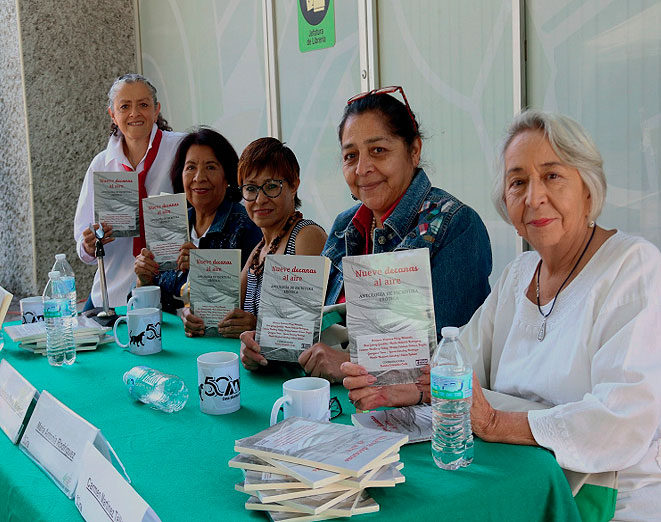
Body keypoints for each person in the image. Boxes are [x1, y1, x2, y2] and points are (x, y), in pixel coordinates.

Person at [344, 110, 661, 520]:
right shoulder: (519, 276)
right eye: (518, 182)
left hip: (605, 501)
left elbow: (620, 419)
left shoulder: (633, 267)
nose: (533, 197)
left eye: (552, 176)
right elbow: (461, 361)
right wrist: (405, 386)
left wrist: (495, 422)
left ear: (588, 190)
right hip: (515, 485)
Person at [241, 86, 492, 382]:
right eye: (350, 156)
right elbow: (305, 328)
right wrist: (267, 347)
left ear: (414, 151)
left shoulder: (455, 226)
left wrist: (349, 363)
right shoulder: (344, 227)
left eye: (378, 151)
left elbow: (454, 357)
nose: (362, 169)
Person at [182, 137, 327, 337]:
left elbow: (305, 331)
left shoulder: (306, 236)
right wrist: (197, 315)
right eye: (250, 189)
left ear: (294, 186)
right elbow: (223, 309)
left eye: (271, 186)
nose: (260, 199)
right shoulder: (260, 249)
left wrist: (257, 327)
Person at [74, 74, 184, 309]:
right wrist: (88, 245)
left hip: (171, 291)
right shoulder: (101, 165)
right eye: (125, 106)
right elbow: (82, 240)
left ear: (156, 110)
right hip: (111, 293)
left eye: (143, 105)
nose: (134, 113)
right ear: (113, 114)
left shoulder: (181, 150)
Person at [133, 127, 262, 315]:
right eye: (191, 167)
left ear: (227, 176)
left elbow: (252, 303)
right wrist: (144, 282)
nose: (199, 177)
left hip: (219, 341)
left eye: (210, 167)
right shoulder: (169, 222)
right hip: (171, 337)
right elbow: (149, 310)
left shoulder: (246, 226)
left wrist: (203, 269)